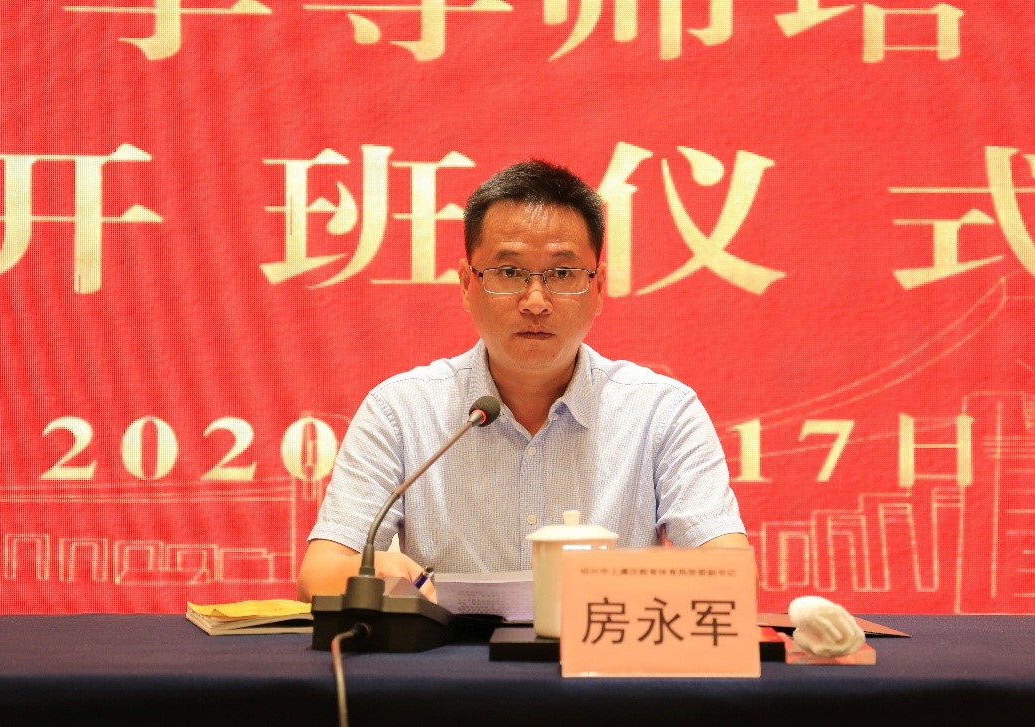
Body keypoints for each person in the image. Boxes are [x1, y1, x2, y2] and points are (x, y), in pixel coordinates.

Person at [296, 159, 751, 602]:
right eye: (510, 272)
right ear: (466, 284)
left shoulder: (661, 412)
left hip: (600, 652)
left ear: (598, 288)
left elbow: (729, 573)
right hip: (448, 656)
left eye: (563, 274)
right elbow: (318, 574)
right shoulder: (401, 410)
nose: (535, 301)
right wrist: (371, 572)